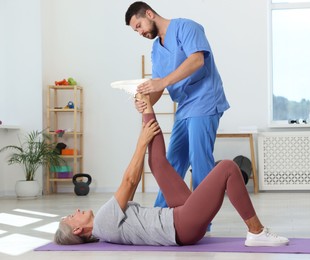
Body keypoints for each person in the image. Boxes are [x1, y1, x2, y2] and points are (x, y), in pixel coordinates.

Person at [54, 94, 289, 247]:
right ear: (78, 229)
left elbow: (135, 180)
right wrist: (141, 142)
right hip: (181, 226)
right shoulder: (103, 222)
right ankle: (256, 231)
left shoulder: (106, 226)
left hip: (178, 216)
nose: (75, 210)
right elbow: (129, 180)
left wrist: (145, 113)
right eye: (71, 216)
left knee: (157, 164)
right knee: (228, 167)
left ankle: (146, 107)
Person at [125, 2, 230, 209]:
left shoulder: (187, 28)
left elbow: (197, 60)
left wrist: (162, 82)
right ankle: (161, 213)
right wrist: (144, 100)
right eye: (135, 30)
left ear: (149, 14)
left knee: (200, 162)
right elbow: (157, 85)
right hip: (184, 106)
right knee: (171, 163)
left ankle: (202, 218)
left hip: (205, 100)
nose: (139, 32)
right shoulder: (156, 48)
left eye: (139, 26)